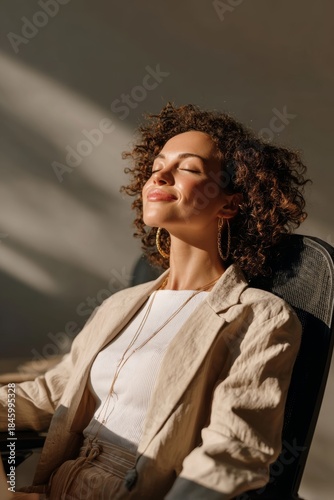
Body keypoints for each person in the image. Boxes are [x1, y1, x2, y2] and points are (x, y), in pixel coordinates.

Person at [0, 103, 309, 499]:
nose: (159, 174)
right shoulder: (120, 305)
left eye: (189, 168)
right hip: (55, 485)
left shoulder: (260, 316)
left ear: (229, 204)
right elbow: (48, 395)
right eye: (157, 165)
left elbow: (233, 450)